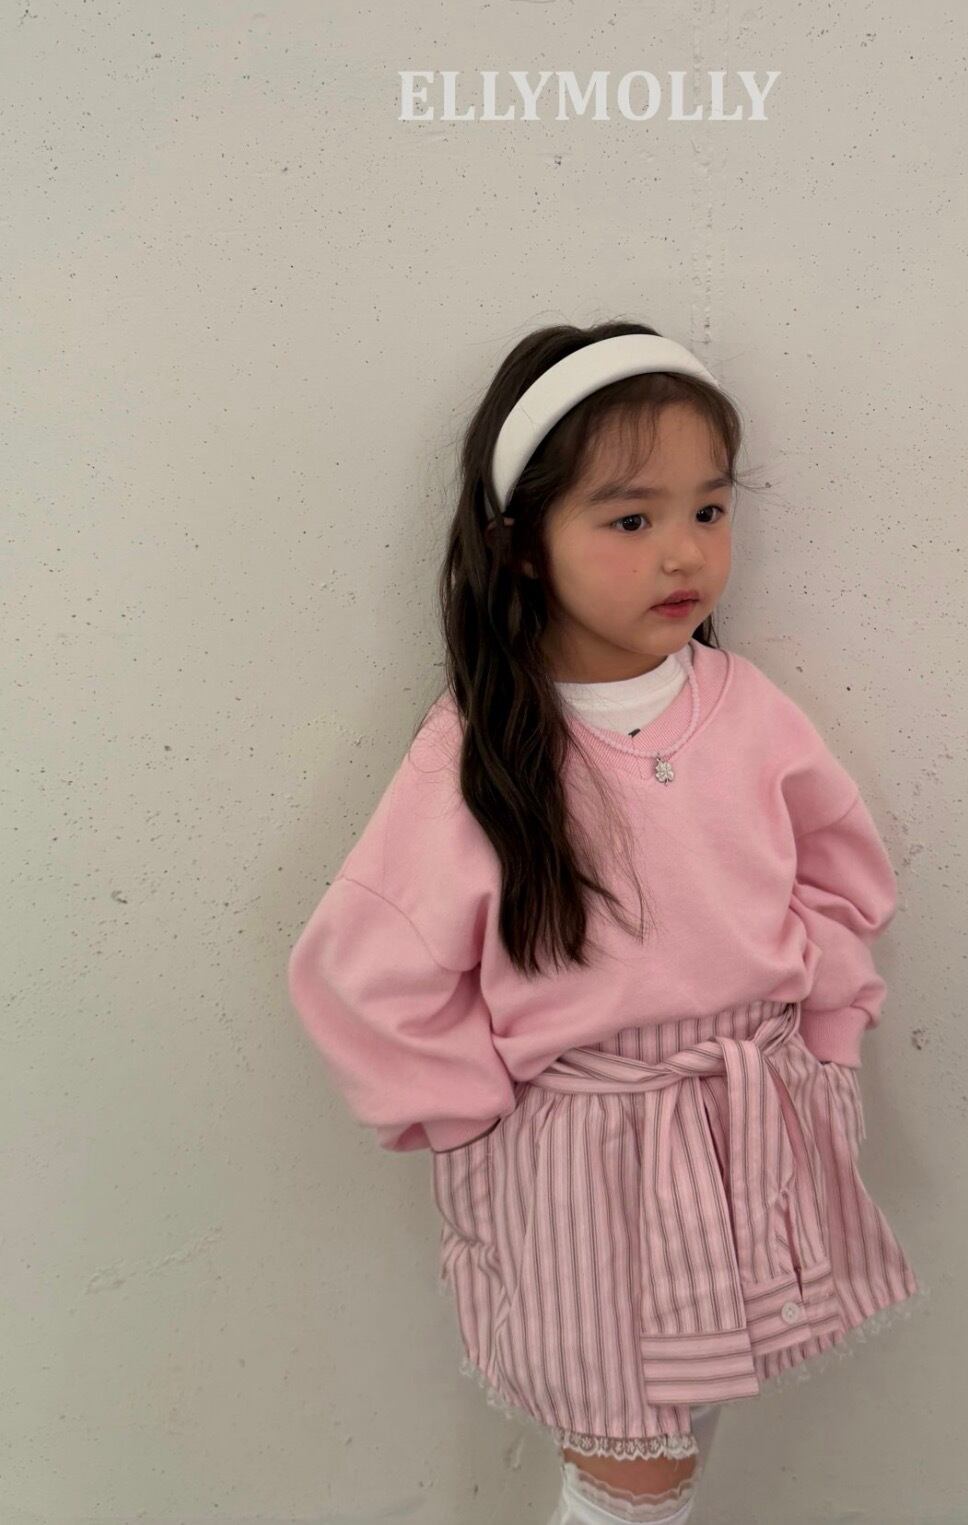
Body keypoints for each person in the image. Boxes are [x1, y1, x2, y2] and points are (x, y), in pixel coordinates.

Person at [286, 322, 928, 1523]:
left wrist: (828, 1037)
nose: (684, 551)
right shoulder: (485, 753)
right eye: (630, 519)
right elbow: (360, 969)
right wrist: (475, 1117)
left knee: (690, 1428)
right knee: (633, 1463)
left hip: (752, 1124)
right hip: (588, 1168)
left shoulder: (749, 710)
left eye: (710, 510)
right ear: (522, 546)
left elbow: (838, 881)